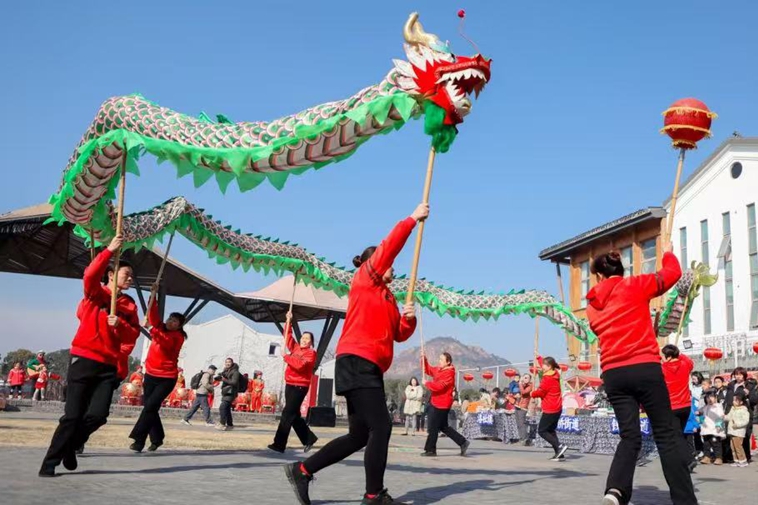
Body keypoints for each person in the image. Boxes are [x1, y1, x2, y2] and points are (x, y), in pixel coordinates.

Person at [284, 203, 427, 505]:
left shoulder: (388, 298)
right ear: (371, 262)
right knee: (382, 427)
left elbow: (398, 334)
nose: (392, 267)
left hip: (369, 365)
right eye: (386, 262)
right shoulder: (365, 279)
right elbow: (389, 248)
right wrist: (412, 219)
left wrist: (409, 318)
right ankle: (374, 494)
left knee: (360, 435)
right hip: (357, 360)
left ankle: (302, 470)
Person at [585, 246, 697, 505]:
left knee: (630, 436)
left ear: (600, 276)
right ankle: (685, 501)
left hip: (613, 373)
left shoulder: (592, 307)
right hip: (644, 366)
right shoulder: (636, 285)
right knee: (666, 435)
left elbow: (613, 324)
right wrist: (667, 254)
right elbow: (672, 273)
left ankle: (615, 490)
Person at [40, 234, 139, 477]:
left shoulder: (129, 306)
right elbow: (89, 275)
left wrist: (120, 325)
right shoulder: (96, 293)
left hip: (107, 366)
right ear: (111, 275)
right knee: (72, 416)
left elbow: (132, 335)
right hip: (83, 359)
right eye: (127, 275)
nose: (130, 279)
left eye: (131, 277)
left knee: (98, 416)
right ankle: (50, 462)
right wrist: (109, 250)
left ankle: (70, 447)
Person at [128, 295, 188, 452]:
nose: (170, 321)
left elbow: (165, 343)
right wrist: (152, 297)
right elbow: (153, 314)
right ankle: (157, 439)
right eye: (170, 318)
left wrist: (150, 328)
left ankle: (138, 440)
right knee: (150, 408)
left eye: (175, 321)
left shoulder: (178, 337)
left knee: (149, 408)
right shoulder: (159, 328)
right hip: (151, 375)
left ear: (180, 325)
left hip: (166, 378)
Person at [268, 314, 319, 454]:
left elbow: (300, 366)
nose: (304, 340)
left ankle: (279, 444)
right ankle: (309, 438)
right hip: (290, 383)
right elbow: (287, 336)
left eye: (307, 339)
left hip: (300, 386)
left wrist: (286, 357)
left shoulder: (311, 354)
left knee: (287, 414)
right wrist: (288, 321)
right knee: (293, 414)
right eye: (303, 338)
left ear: (311, 342)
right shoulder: (295, 348)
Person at [420, 352, 469, 457]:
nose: (439, 361)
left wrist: (427, 383)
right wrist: (423, 359)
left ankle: (430, 450)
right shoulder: (439, 369)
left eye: (442, 360)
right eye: (439, 359)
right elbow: (427, 369)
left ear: (448, 362)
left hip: (442, 404)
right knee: (443, 427)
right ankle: (462, 442)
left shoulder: (449, 374)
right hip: (436, 402)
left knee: (433, 427)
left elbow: (439, 386)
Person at [660, 344, 696, 469]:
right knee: (679, 433)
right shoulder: (685, 365)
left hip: (672, 406)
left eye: (663, 356)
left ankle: (689, 459)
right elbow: (689, 361)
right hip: (686, 405)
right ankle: (682, 459)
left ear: (668, 357)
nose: (662, 359)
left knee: (677, 435)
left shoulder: (663, 369)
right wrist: (678, 353)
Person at [530, 356, 567, 461]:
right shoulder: (555, 373)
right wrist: (538, 357)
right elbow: (546, 363)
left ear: (549, 366)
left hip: (550, 408)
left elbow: (541, 392)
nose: (542, 367)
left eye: (544, 365)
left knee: (542, 430)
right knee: (550, 431)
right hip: (557, 407)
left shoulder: (547, 379)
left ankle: (560, 446)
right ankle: (559, 453)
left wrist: (532, 393)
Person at [723, 367, 752, 464]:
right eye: (736, 374)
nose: (738, 376)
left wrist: (748, 395)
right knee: (731, 436)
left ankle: (745, 458)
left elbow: (754, 400)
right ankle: (734, 458)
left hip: (743, 412)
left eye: (740, 374)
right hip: (731, 410)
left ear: (744, 375)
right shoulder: (731, 385)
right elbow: (727, 399)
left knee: (743, 436)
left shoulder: (749, 385)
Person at [724, 392, 750, 467]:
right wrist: (724, 417)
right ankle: (736, 460)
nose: (733, 402)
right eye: (733, 400)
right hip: (732, 431)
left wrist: (737, 424)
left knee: (738, 447)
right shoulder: (733, 409)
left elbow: (745, 421)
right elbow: (729, 417)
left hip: (739, 432)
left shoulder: (744, 410)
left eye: (735, 400)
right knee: (733, 447)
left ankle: (743, 460)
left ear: (741, 402)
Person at [699, 391, 725, 465]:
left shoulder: (718, 406)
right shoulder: (705, 407)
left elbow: (720, 417)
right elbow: (700, 413)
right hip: (706, 429)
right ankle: (707, 457)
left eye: (711, 397)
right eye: (707, 398)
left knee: (716, 444)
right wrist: (699, 414)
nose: (709, 399)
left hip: (715, 429)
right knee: (706, 444)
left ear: (715, 398)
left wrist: (719, 428)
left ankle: (718, 457)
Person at [216, 357, 240, 430]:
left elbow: (234, 382)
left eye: (229, 362)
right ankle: (230, 425)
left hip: (231, 392)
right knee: (227, 409)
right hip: (226, 392)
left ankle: (222, 424)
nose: (227, 363)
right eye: (226, 362)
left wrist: (224, 379)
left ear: (232, 363)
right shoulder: (226, 371)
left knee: (222, 407)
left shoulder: (235, 372)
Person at [515, 373, 533, 445]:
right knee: (518, 424)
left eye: (526, 378)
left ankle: (525, 439)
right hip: (517, 406)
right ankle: (521, 438)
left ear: (529, 379)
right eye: (524, 377)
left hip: (523, 407)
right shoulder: (521, 385)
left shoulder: (530, 386)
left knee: (522, 423)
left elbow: (524, 392)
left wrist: (520, 384)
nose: (525, 379)